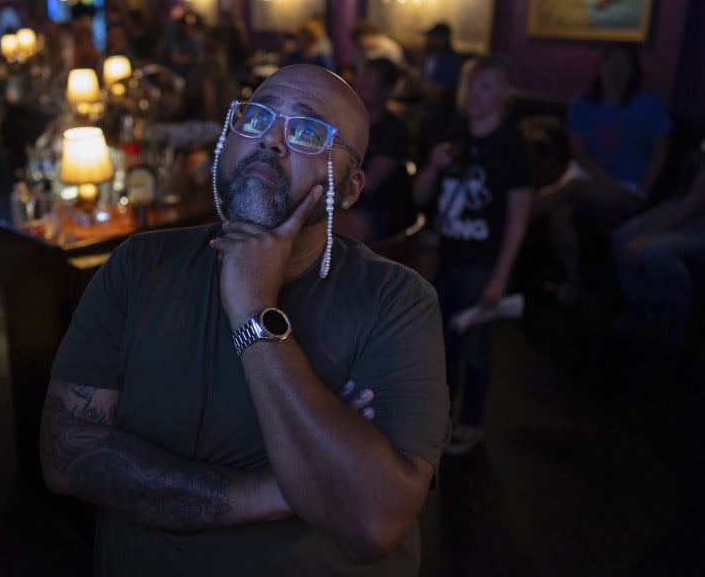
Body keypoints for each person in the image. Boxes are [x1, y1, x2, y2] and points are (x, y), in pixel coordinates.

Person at [40, 64, 450, 575]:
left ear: (349, 188)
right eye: (256, 118)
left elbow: (370, 523)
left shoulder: (397, 301)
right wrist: (286, 489)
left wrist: (253, 309)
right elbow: (65, 455)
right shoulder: (138, 266)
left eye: (306, 131)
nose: (271, 140)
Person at [412, 54, 534, 455]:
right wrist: (432, 167)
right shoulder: (451, 133)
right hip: (446, 255)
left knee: (477, 344)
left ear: (504, 94)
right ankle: (441, 417)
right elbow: (419, 197)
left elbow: (518, 218)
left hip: (483, 260)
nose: (474, 94)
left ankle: (471, 422)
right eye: (469, 85)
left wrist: (501, 276)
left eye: (485, 85)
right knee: (440, 341)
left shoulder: (513, 148)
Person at [530, 42, 671, 305]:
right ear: (600, 67)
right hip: (590, 181)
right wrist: (609, 184)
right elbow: (580, 154)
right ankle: (573, 280)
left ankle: (507, 227)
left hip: (630, 189)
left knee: (567, 189)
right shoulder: (582, 103)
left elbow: (660, 150)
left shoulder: (647, 102)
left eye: (623, 63)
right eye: (611, 62)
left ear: (633, 70)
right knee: (559, 213)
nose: (616, 69)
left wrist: (643, 189)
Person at [611, 154, 705, 348]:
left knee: (655, 251)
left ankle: (679, 317)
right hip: (686, 204)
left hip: (696, 214)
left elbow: (695, 202)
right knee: (622, 238)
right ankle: (641, 308)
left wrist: (647, 236)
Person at [335, 58, 413, 244]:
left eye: (367, 86)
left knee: (318, 226)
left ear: (386, 91)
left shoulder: (394, 131)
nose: (359, 90)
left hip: (375, 209)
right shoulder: (347, 123)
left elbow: (368, 184)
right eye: (359, 83)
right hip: (343, 202)